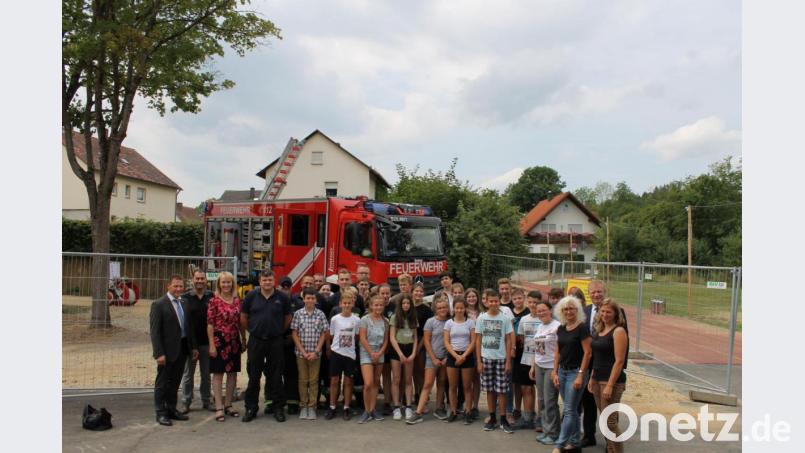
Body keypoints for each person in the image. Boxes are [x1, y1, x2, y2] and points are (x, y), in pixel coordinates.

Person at [580, 280, 629, 447]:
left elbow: (622, 350)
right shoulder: (585, 311)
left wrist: (619, 370)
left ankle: (611, 445)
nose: (596, 295)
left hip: (610, 371)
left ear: (604, 291)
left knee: (609, 417)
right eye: (593, 292)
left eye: (599, 292)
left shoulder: (618, 318)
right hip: (592, 369)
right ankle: (588, 436)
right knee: (590, 406)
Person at [240, 269, 291, 423]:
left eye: (269, 280)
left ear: (274, 281)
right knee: (254, 376)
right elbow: (243, 317)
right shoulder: (251, 296)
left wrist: (279, 331)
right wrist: (251, 330)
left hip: (275, 341)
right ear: (260, 282)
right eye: (264, 280)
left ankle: (278, 408)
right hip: (256, 341)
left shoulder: (282, 297)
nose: (267, 282)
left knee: (276, 376)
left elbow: (288, 317)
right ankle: (251, 408)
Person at [150, 275, 198, 426]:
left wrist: (193, 347)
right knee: (163, 383)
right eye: (175, 286)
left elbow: (189, 328)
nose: (178, 289)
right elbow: (155, 331)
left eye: (181, 286)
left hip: (182, 349)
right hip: (166, 351)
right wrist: (159, 353)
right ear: (168, 286)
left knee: (175, 382)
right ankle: (161, 412)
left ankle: (171, 409)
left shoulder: (184, 303)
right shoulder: (159, 304)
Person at [552, 295, 592, 452]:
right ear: (561, 311)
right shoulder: (561, 328)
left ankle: (559, 444)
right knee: (572, 409)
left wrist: (581, 374)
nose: (568, 311)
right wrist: (555, 372)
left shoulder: (582, 328)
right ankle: (575, 442)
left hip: (576, 372)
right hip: (562, 371)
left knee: (568, 410)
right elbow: (557, 353)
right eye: (565, 309)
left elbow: (588, 353)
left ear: (577, 310)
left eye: (571, 308)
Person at [207, 271, 244, 422]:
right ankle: (218, 407)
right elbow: (210, 324)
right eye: (223, 282)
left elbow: (241, 321)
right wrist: (211, 345)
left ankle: (228, 404)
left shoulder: (237, 300)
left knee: (232, 374)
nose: (226, 285)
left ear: (232, 284)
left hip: (234, 340)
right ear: (219, 284)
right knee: (217, 373)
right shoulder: (213, 301)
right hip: (219, 341)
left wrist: (244, 338)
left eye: (229, 282)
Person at [475, 289, 514, 433]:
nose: (493, 303)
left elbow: (508, 340)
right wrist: (479, 361)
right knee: (490, 390)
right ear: (486, 302)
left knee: (502, 390)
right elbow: (478, 340)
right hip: (486, 358)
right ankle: (492, 417)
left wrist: (508, 361)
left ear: (499, 301)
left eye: (496, 301)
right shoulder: (481, 318)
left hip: (501, 358)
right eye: (490, 301)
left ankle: (503, 418)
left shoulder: (504, 318)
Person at [406, 297, 450, 424]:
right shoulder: (430, 322)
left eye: (444, 307)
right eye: (440, 308)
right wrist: (434, 358)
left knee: (442, 382)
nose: (442, 310)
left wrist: (446, 357)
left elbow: (451, 341)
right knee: (427, 384)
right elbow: (426, 341)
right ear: (435, 309)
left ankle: (439, 408)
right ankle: (418, 412)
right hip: (432, 357)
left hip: (446, 358)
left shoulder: (450, 322)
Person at [290, 288, 329, 420]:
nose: (310, 300)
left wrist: (316, 351)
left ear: (315, 300)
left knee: (313, 381)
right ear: (303, 298)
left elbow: (324, 333)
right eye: (308, 298)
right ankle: (303, 406)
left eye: (312, 298)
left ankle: (312, 406)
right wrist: (302, 351)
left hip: (315, 354)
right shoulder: (298, 314)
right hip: (301, 354)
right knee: (302, 380)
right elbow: (294, 333)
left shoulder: (320, 314)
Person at [180, 270, 214, 414]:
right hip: (191, 343)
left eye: (202, 278)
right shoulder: (185, 298)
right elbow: (184, 322)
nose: (200, 281)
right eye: (197, 278)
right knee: (188, 375)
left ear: (206, 280)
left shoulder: (211, 297)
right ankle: (186, 402)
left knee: (206, 374)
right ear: (192, 280)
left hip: (207, 342)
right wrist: (191, 345)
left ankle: (206, 401)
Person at [325, 289, 361, 421]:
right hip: (336, 353)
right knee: (334, 381)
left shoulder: (356, 320)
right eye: (344, 303)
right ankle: (332, 407)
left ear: (352, 304)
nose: (346, 305)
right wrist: (330, 349)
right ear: (340, 304)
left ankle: (346, 407)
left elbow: (357, 337)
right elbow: (331, 334)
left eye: (349, 303)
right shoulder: (335, 319)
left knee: (348, 382)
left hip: (350, 355)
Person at [530, 299, 561, 445]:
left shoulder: (557, 327)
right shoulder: (540, 326)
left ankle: (553, 433)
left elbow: (559, 351)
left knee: (550, 401)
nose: (541, 313)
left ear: (550, 311)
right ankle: (546, 429)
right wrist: (533, 366)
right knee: (542, 400)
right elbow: (537, 349)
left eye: (544, 310)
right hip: (539, 366)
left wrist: (555, 370)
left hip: (550, 368)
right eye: (538, 311)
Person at [444, 296, 476, 425]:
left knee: (467, 386)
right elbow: (446, 342)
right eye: (457, 308)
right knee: (452, 386)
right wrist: (456, 356)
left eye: (461, 308)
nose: (459, 310)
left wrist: (464, 356)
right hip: (453, 356)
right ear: (454, 309)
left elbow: (473, 341)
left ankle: (468, 411)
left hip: (467, 356)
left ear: (465, 308)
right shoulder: (449, 323)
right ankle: (453, 411)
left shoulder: (470, 323)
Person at [358, 295, 389, 423]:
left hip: (380, 352)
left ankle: (372, 409)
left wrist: (379, 352)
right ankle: (366, 410)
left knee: (376, 382)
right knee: (368, 383)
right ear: (371, 306)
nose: (378, 307)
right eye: (376, 305)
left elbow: (386, 340)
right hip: (367, 352)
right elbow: (362, 338)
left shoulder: (386, 321)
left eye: (381, 305)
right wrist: (372, 353)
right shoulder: (364, 320)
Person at [513, 289, 540, 430]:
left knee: (540, 390)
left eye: (535, 302)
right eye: (530, 302)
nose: (533, 305)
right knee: (526, 388)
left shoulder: (544, 319)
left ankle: (541, 419)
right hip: (526, 358)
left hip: (541, 361)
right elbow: (522, 339)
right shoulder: (524, 319)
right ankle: (528, 417)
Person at [389, 292, 418, 421]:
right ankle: (396, 407)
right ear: (400, 305)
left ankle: (408, 406)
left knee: (408, 380)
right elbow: (392, 337)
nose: (406, 305)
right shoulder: (395, 317)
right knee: (396, 379)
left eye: (408, 303)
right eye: (403, 303)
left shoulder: (413, 318)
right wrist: (400, 353)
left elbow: (416, 338)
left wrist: (413, 354)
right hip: (397, 350)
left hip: (409, 349)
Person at [509, 288, 530, 424]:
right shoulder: (509, 313)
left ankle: (528, 411)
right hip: (513, 350)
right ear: (512, 300)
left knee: (526, 383)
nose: (517, 301)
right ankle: (517, 408)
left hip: (525, 350)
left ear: (524, 298)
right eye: (515, 299)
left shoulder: (528, 313)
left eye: (520, 298)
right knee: (515, 381)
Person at [411, 282, 433, 401]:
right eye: (416, 291)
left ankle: (424, 392)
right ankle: (417, 391)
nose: (418, 293)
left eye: (420, 291)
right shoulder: (408, 307)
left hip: (421, 341)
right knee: (413, 370)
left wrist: (419, 347)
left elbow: (427, 331)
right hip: (409, 341)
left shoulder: (426, 310)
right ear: (412, 292)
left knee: (420, 369)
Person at [463, 287, 481, 421]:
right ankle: (466, 404)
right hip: (465, 348)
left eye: (473, 296)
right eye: (469, 297)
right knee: (466, 380)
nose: (471, 299)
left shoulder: (482, 312)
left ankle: (475, 405)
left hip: (479, 348)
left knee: (476, 379)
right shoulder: (462, 312)